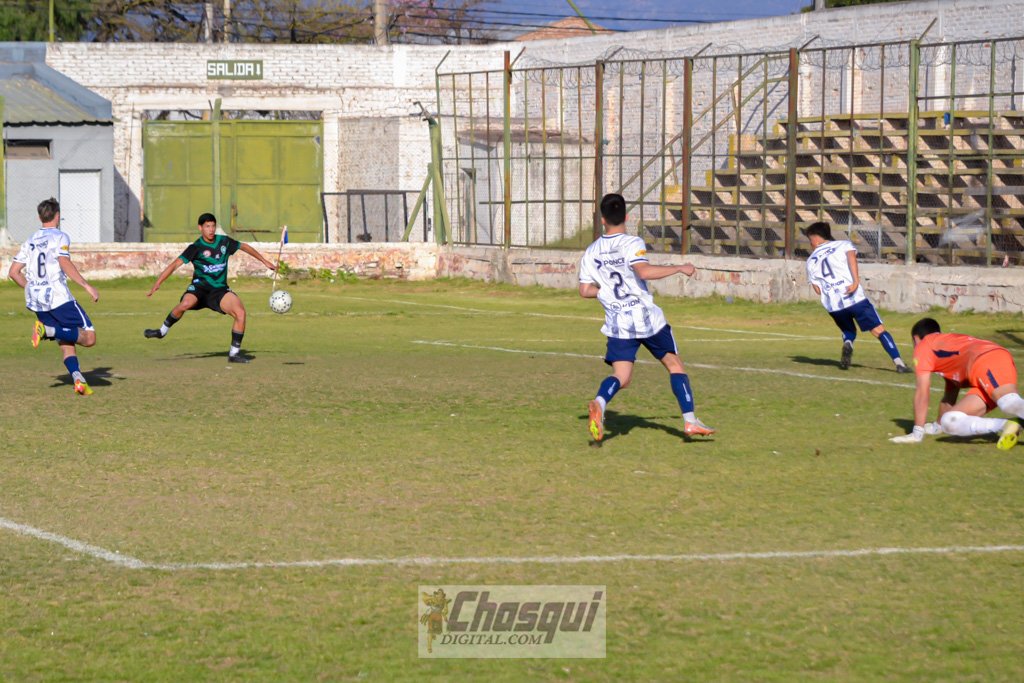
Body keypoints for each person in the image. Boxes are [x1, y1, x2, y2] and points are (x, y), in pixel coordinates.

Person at [579, 193, 714, 443]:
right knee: (674, 365)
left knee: (622, 376)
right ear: (627, 216)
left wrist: (606, 292)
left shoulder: (591, 252)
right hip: (646, 319)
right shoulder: (632, 242)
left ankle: (600, 402)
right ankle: (690, 421)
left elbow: (585, 290)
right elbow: (643, 271)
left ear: (602, 219)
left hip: (618, 322)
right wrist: (679, 267)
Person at [144, 212, 277, 363]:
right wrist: (158, 283)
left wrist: (264, 261)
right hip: (199, 289)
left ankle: (234, 354)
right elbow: (175, 264)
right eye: (207, 226)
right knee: (185, 303)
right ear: (200, 228)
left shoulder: (224, 242)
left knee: (240, 313)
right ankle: (162, 331)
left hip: (219, 291)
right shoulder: (196, 247)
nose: (211, 229)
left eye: (213, 226)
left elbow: (244, 246)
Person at [7, 197, 99, 395]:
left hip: (37, 300)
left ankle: (78, 380)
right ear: (57, 216)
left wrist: (32, 288)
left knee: (66, 340)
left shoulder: (30, 241)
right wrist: (86, 286)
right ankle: (46, 331)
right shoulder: (60, 237)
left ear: (40, 217)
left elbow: (13, 272)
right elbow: (64, 262)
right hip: (58, 297)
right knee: (89, 337)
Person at [890, 317, 1022, 449]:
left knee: (1009, 403)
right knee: (949, 421)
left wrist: (917, 432)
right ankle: (1007, 425)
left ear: (916, 339)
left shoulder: (923, 346)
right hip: (985, 364)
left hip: (987, 359)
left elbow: (922, 392)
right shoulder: (946, 349)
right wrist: (938, 426)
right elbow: (950, 394)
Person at [804, 221, 911, 373]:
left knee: (849, 331)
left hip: (834, 306)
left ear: (815, 238)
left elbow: (817, 290)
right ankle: (899, 363)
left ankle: (848, 343)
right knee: (878, 330)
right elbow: (851, 259)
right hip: (854, 297)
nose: (810, 244)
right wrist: (855, 281)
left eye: (810, 240)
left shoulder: (810, 261)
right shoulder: (843, 245)